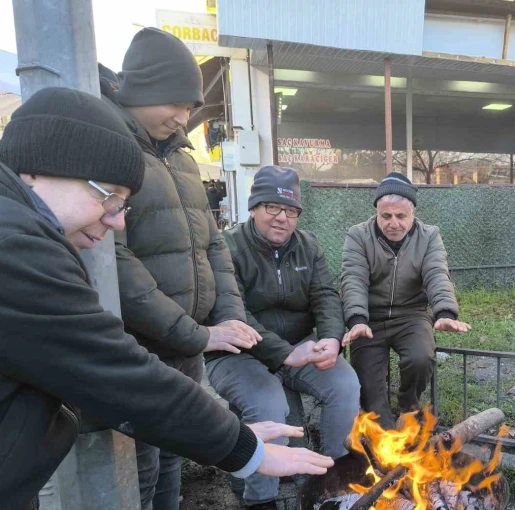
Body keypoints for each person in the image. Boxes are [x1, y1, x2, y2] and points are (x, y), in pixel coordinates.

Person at [0, 87, 333, 510]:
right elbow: (117, 373)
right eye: (109, 196)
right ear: (35, 170)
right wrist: (245, 448)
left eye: (123, 204)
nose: (118, 222)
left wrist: (234, 432)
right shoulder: (16, 248)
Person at [101, 27, 261, 509]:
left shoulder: (185, 160)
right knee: (138, 471)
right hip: (140, 346)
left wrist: (227, 316)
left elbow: (213, 246)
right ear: (144, 88)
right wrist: (195, 334)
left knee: (174, 457)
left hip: (187, 347)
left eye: (191, 107)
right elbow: (113, 259)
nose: (185, 117)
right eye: (177, 103)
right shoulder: (110, 146)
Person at [206, 166, 361, 509]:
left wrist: (332, 339)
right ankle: (261, 499)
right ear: (253, 208)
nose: (282, 218)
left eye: (291, 211)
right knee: (269, 405)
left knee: (346, 386)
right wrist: (282, 354)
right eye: (272, 208)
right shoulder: (225, 247)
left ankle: (335, 483)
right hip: (236, 353)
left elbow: (326, 296)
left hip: (299, 348)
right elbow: (231, 313)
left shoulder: (308, 246)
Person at [340, 172, 471, 429]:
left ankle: (409, 408)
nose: (393, 223)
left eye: (401, 216)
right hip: (370, 319)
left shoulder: (429, 236)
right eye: (386, 216)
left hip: (411, 314)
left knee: (421, 356)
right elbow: (353, 278)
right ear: (377, 212)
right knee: (369, 391)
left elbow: (436, 273)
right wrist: (356, 319)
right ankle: (387, 439)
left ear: (413, 214)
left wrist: (445, 312)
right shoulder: (358, 235)